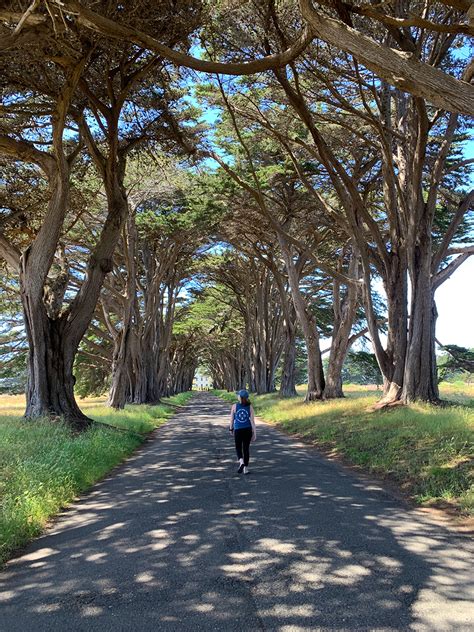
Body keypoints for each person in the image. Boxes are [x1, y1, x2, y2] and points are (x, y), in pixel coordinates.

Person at [229, 389, 256, 474]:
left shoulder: (234, 406)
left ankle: (241, 462)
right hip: (247, 429)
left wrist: (231, 428)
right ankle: (246, 469)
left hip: (238, 429)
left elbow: (231, 420)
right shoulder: (250, 406)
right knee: (246, 449)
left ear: (240, 397)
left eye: (238, 395)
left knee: (238, 447)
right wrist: (254, 432)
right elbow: (252, 421)